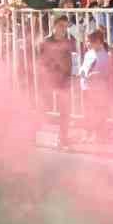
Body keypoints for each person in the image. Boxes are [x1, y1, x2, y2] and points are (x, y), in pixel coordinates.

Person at [39, 15, 76, 148]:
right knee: (42, 107)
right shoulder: (46, 41)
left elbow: (69, 61)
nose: (63, 29)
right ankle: (30, 133)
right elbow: (42, 62)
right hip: (50, 79)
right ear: (54, 25)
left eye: (66, 27)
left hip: (63, 80)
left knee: (64, 110)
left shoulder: (67, 42)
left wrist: (69, 76)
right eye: (61, 26)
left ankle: (63, 138)